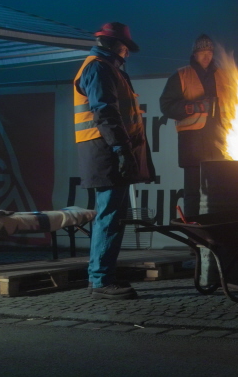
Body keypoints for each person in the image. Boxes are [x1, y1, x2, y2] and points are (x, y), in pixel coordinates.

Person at [73, 22, 156, 299]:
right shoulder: (98, 67)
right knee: (109, 216)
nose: (128, 54)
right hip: (106, 152)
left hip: (108, 151)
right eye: (126, 48)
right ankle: (101, 280)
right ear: (116, 45)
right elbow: (105, 111)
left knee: (112, 216)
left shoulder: (107, 68)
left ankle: (100, 276)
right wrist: (122, 150)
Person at [159, 34, 230, 217]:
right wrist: (193, 106)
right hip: (192, 143)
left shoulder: (224, 76)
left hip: (219, 142)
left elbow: (234, 103)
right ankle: (193, 237)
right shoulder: (181, 75)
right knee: (192, 193)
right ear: (194, 54)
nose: (207, 56)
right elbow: (166, 106)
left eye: (209, 52)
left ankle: (215, 234)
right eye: (202, 52)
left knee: (219, 192)